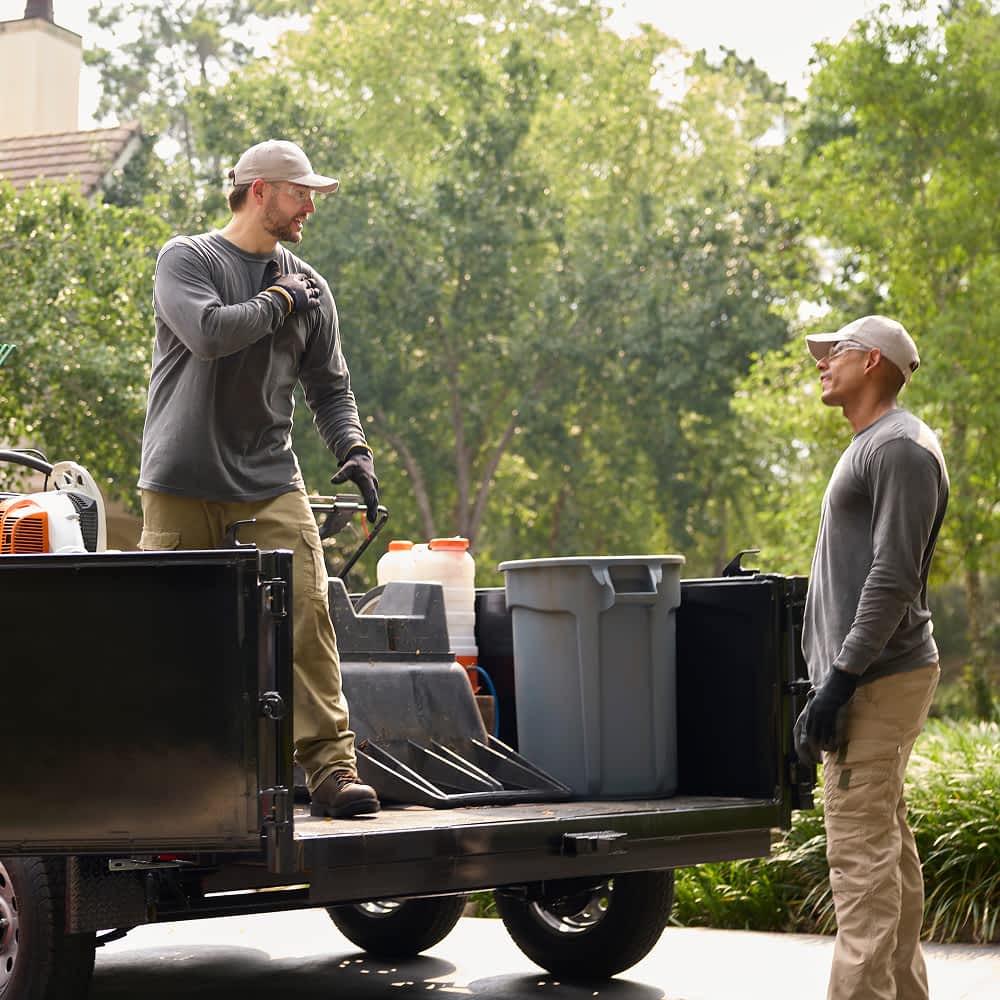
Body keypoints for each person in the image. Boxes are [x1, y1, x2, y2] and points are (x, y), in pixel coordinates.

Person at [137, 139, 380, 818]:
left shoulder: (311, 286)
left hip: (271, 476)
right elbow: (211, 334)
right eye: (300, 192)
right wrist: (278, 299)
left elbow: (330, 389)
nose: (309, 206)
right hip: (182, 482)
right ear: (257, 190)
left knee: (308, 616)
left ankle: (332, 771)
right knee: (179, 631)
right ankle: (178, 776)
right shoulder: (189, 259)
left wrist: (354, 448)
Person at [795, 315, 948, 1000]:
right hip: (874, 677)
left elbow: (893, 577)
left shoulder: (900, 448)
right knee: (887, 852)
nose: (822, 362)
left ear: (875, 361)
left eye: (836, 352)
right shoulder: (877, 445)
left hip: (876, 678)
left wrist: (840, 680)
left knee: (860, 862)